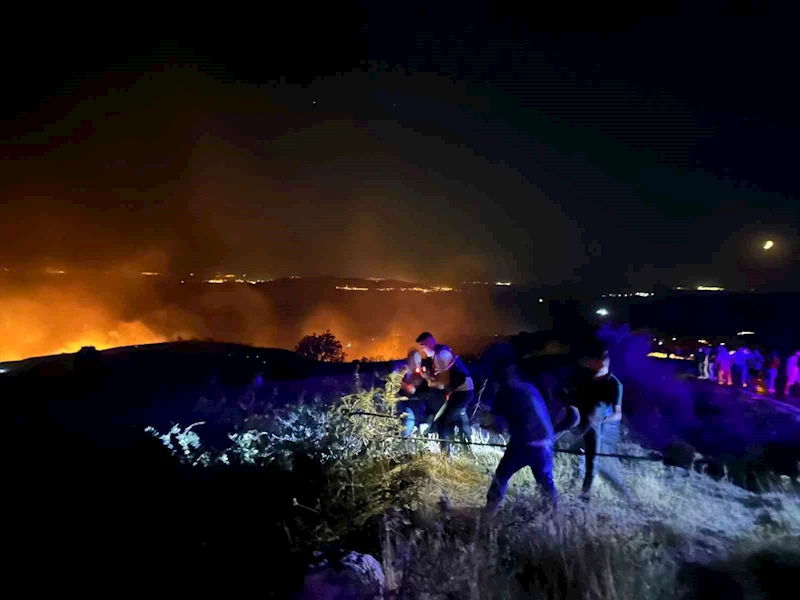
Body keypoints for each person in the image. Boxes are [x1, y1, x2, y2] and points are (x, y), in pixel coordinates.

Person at [485, 346, 557, 515]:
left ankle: (488, 514)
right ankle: (555, 517)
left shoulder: (504, 393)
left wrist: (486, 426)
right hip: (546, 443)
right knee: (546, 483)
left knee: (501, 476)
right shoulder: (528, 387)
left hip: (523, 445)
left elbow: (499, 428)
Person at [567, 343, 629, 500]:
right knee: (581, 456)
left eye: (602, 359)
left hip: (600, 427)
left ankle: (586, 495)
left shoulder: (614, 384)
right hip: (581, 422)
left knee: (594, 461)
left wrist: (601, 421)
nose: (596, 363)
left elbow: (618, 414)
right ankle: (573, 485)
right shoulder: (586, 377)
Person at [416, 332, 474, 454]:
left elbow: (442, 383)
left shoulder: (441, 355)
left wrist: (429, 381)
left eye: (422, 346)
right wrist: (428, 377)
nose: (422, 350)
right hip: (461, 390)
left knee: (441, 420)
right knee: (456, 416)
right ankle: (466, 449)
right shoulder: (440, 353)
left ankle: (445, 455)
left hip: (462, 391)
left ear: (429, 343)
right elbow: (444, 379)